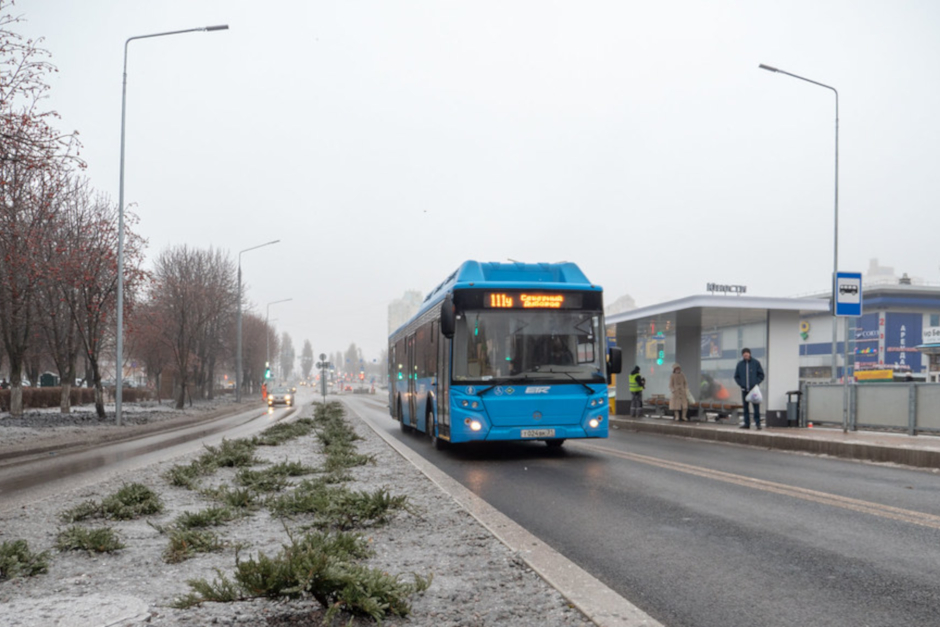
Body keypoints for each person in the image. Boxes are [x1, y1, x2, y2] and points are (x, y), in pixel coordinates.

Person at [734, 347, 765, 430]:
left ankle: (758, 424)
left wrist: (756, 382)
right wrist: (741, 384)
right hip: (744, 390)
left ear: (750, 354)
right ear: (742, 355)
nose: (746, 356)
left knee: (756, 407)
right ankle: (746, 423)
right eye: (744, 355)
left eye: (747, 354)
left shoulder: (756, 363)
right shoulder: (740, 364)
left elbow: (761, 375)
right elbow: (736, 376)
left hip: (753, 390)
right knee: (745, 407)